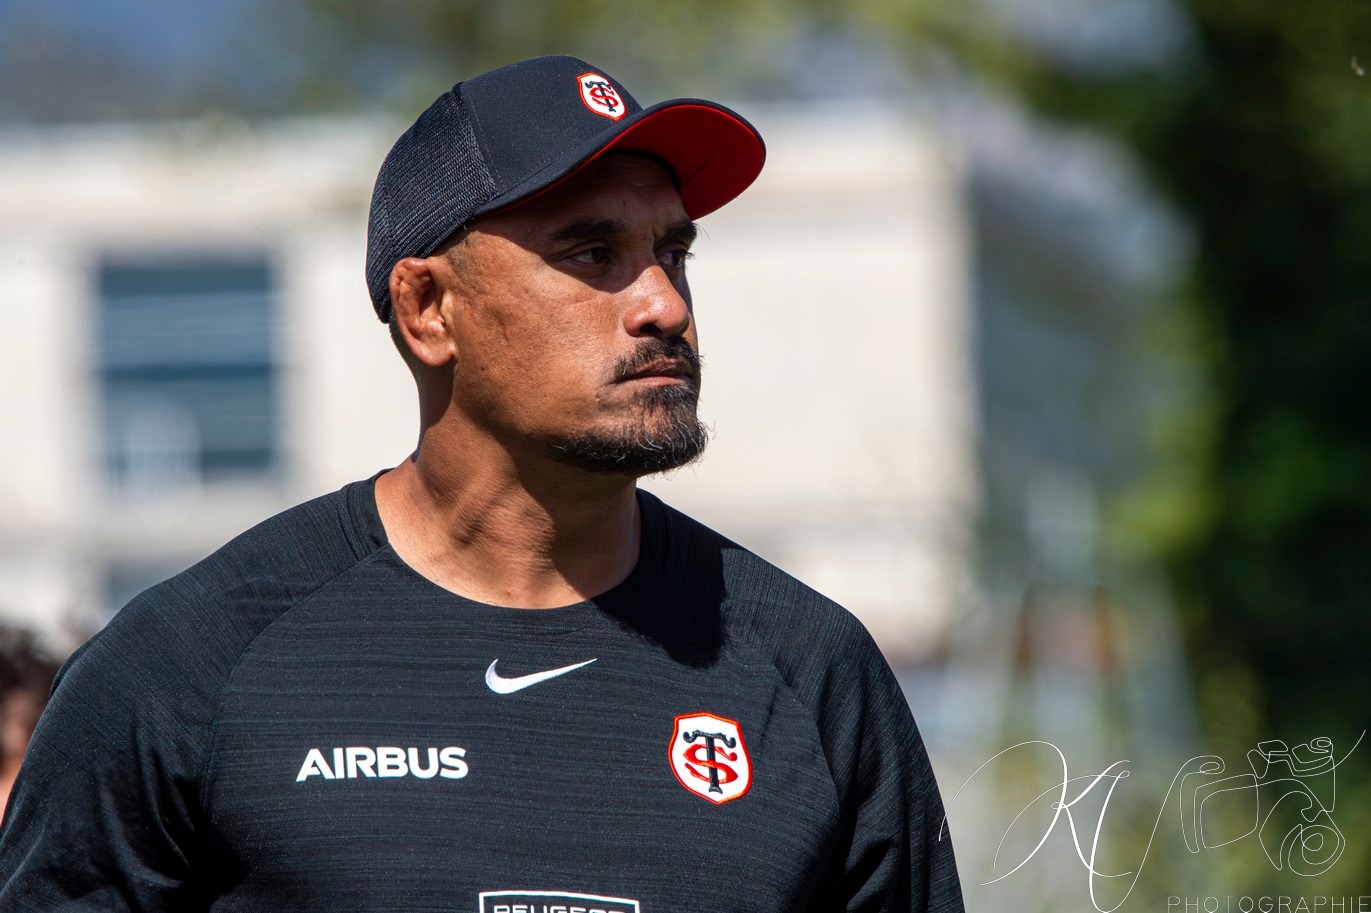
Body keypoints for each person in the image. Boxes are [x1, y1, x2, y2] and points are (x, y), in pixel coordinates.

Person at [0, 55, 964, 911]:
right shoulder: (185, 665)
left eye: (671, 252)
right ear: (427, 309)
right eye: (593, 255)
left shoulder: (813, 670)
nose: (664, 305)